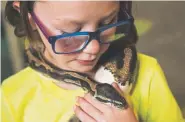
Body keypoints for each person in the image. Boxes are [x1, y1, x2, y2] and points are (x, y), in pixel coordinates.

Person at [1, 1, 184, 122]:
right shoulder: (10, 97)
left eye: (108, 22)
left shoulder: (147, 74)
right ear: (29, 19)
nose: (93, 48)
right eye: (70, 32)